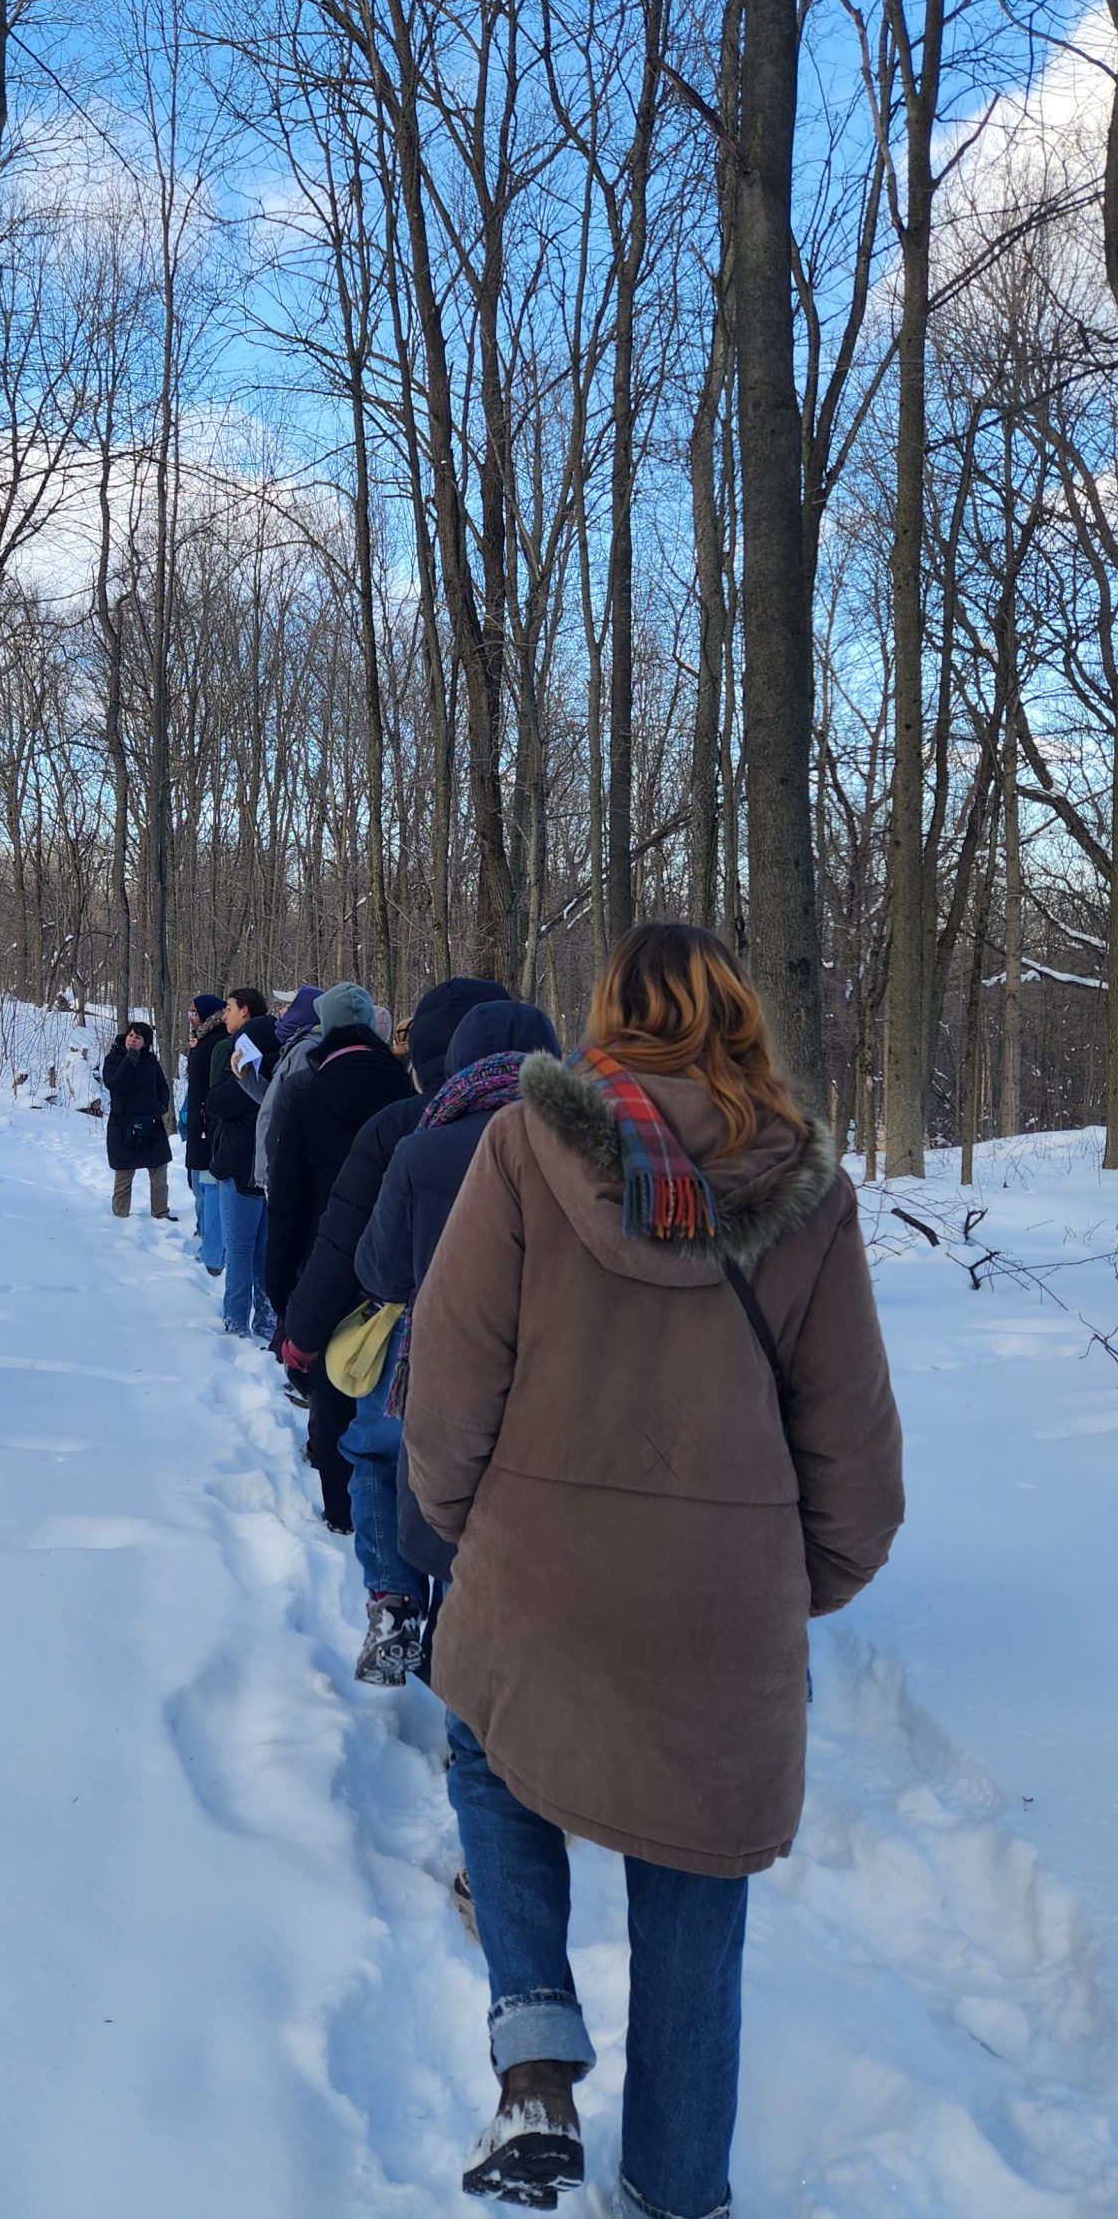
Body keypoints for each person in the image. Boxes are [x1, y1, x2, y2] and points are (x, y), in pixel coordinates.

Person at [406, 923, 904, 2216]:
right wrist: (772, 1594)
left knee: (487, 1746)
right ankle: (677, 2195)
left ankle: (534, 2063)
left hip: (542, 1588)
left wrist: (468, 1528)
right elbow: (856, 1473)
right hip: (718, 1632)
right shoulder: (808, 1192)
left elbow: (449, 1381)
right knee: (695, 1897)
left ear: (609, 1021)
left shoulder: (528, 1144)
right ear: (739, 1020)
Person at [347, 994, 561, 1686]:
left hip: (438, 1370)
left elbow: (378, 1271)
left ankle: (417, 1627)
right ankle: (478, 1687)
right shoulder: (587, 1151)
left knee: (423, 1496)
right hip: (551, 1375)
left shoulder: (422, 1149)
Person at [279, 977, 510, 1531]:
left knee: (377, 1454)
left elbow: (348, 1247)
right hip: (521, 1353)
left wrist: (300, 1330)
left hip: (396, 1329)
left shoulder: (402, 1128)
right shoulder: (572, 1137)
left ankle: (387, 1586)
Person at [264, 981, 411, 1325]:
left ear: (327, 1027)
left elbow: (288, 1201)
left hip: (318, 1265)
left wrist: (281, 1287)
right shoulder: (406, 1089)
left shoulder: (306, 1093)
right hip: (389, 1268)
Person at [204, 988, 278, 1339]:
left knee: (240, 1252)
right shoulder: (283, 1061)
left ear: (245, 1013)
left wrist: (231, 1075)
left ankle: (236, 1326)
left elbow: (217, 1102)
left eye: (230, 1009)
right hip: (265, 1169)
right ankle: (265, 1322)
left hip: (241, 1166)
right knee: (262, 1254)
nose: (225, 1015)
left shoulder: (249, 1066)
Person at [236, 981, 322, 1201]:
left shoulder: (306, 1049)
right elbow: (273, 1102)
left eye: (287, 1006)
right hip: (280, 1165)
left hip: (285, 1166)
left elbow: (292, 1113)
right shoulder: (295, 1046)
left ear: (303, 1012)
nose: (281, 1012)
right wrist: (246, 1078)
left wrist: (275, 1170)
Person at [99, 1022, 173, 1218]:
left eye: (138, 1037)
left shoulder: (150, 1061)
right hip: (123, 1125)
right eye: (130, 1035)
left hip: (151, 1124)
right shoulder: (114, 1059)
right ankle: (120, 1217)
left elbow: (163, 1087)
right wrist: (130, 1059)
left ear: (145, 1042)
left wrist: (162, 1107)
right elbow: (115, 1085)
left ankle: (161, 1214)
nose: (132, 1039)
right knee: (124, 1174)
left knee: (159, 1173)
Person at [180, 993, 228, 1273]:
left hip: (208, 1131)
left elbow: (208, 1089)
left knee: (208, 1190)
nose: (191, 1017)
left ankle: (214, 1255)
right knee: (200, 1187)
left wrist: (202, 1124)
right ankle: (209, 1243)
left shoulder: (216, 1043)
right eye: (189, 1012)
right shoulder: (205, 1040)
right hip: (201, 1128)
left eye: (194, 1012)